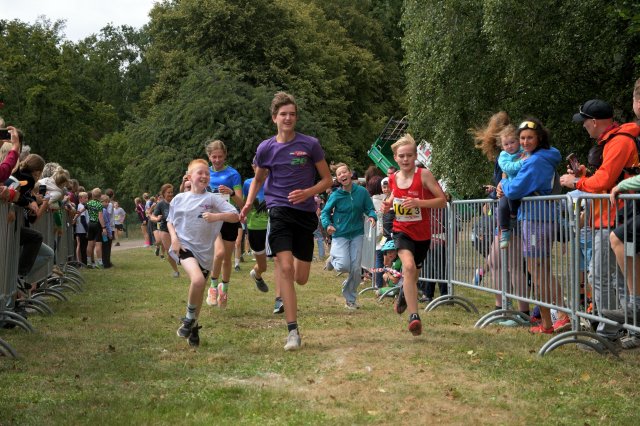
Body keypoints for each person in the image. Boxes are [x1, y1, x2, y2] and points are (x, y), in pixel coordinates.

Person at [240, 91, 332, 351]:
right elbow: (258, 179)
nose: (288, 118)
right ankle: (293, 331)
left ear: (296, 117)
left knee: (301, 277)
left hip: (304, 213)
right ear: (274, 118)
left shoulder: (310, 144)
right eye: (283, 114)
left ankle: (291, 316)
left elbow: (327, 180)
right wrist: (248, 202)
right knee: (286, 268)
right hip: (278, 210)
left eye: (292, 114)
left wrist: (308, 192)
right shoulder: (266, 148)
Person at [559, 99, 640, 345]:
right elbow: (608, 178)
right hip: (612, 217)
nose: (584, 126)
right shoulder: (612, 141)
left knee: (600, 276)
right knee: (614, 278)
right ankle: (628, 330)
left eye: (584, 122)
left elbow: (604, 182)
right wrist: (585, 176)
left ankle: (609, 332)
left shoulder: (618, 142)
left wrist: (576, 182)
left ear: (594, 122)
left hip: (614, 218)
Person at [499, 118, 569, 334]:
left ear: (539, 138)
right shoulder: (542, 156)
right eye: (522, 138)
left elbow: (514, 190)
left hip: (536, 220)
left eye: (530, 137)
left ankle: (555, 320)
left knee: (537, 272)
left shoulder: (535, 161)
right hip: (541, 217)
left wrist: (504, 183)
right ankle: (555, 318)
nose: (525, 142)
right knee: (541, 270)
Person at [381, 134, 447, 336]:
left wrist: (419, 203)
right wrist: (388, 204)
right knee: (408, 267)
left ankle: (404, 292)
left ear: (415, 156)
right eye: (401, 156)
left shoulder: (424, 175)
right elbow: (395, 195)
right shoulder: (393, 178)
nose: (405, 159)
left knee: (413, 273)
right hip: (402, 231)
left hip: (422, 235)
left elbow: (442, 201)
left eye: (409, 155)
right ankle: (414, 317)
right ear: (395, 158)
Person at [170, 159, 240, 347]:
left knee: (199, 289)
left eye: (207, 174)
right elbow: (170, 220)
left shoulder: (212, 199)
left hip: (205, 252)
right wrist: (174, 239)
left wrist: (217, 216)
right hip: (184, 247)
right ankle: (188, 319)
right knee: (198, 281)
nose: (204, 176)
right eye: (199, 173)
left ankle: (193, 325)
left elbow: (236, 216)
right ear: (189, 177)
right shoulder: (179, 199)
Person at [471, 112, 531, 325]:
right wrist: (497, 189)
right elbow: (502, 183)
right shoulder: (504, 157)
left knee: (512, 265)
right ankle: (503, 308)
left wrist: (500, 187)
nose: (509, 145)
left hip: (515, 213)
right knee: (497, 263)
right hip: (505, 214)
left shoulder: (521, 156)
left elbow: (511, 183)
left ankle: (521, 313)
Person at [321, 162, 377, 309]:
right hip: (340, 234)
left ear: (350, 173)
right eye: (339, 174)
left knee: (356, 268)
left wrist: (372, 216)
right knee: (344, 266)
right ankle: (333, 260)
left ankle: (350, 299)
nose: (342, 175)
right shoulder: (336, 195)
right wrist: (328, 225)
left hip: (357, 233)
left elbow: (369, 208)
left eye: (344, 172)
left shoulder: (362, 192)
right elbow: (325, 213)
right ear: (338, 179)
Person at [204, 139, 244, 309]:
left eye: (220, 156)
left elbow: (242, 203)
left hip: (228, 218)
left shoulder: (233, 174)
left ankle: (224, 289)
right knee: (219, 253)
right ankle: (213, 287)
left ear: (225, 155)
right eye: (214, 157)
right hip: (211, 219)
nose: (217, 160)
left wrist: (231, 193)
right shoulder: (204, 173)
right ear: (209, 156)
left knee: (227, 258)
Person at [242, 160, 274, 307]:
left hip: (273, 227)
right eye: (259, 167)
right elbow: (244, 203)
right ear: (253, 167)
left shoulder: (275, 182)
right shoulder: (248, 184)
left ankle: (281, 298)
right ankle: (257, 274)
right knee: (263, 266)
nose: (264, 170)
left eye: (266, 167)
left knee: (280, 261)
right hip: (255, 228)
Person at [497, 125, 527, 248]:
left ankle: (513, 217)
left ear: (518, 141)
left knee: (515, 199)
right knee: (502, 205)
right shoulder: (503, 156)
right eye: (506, 144)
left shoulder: (524, 150)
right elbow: (508, 168)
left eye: (512, 142)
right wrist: (522, 162)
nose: (510, 146)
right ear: (502, 146)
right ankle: (504, 231)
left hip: (522, 185)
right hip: (509, 185)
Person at [150, 184, 180, 278]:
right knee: (170, 252)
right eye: (168, 192)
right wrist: (156, 219)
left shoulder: (177, 201)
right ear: (163, 194)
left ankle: (181, 260)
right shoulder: (161, 204)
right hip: (165, 230)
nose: (170, 194)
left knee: (180, 249)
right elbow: (152, 216)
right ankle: (176, 271)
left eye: (171, 192)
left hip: (178, 229)